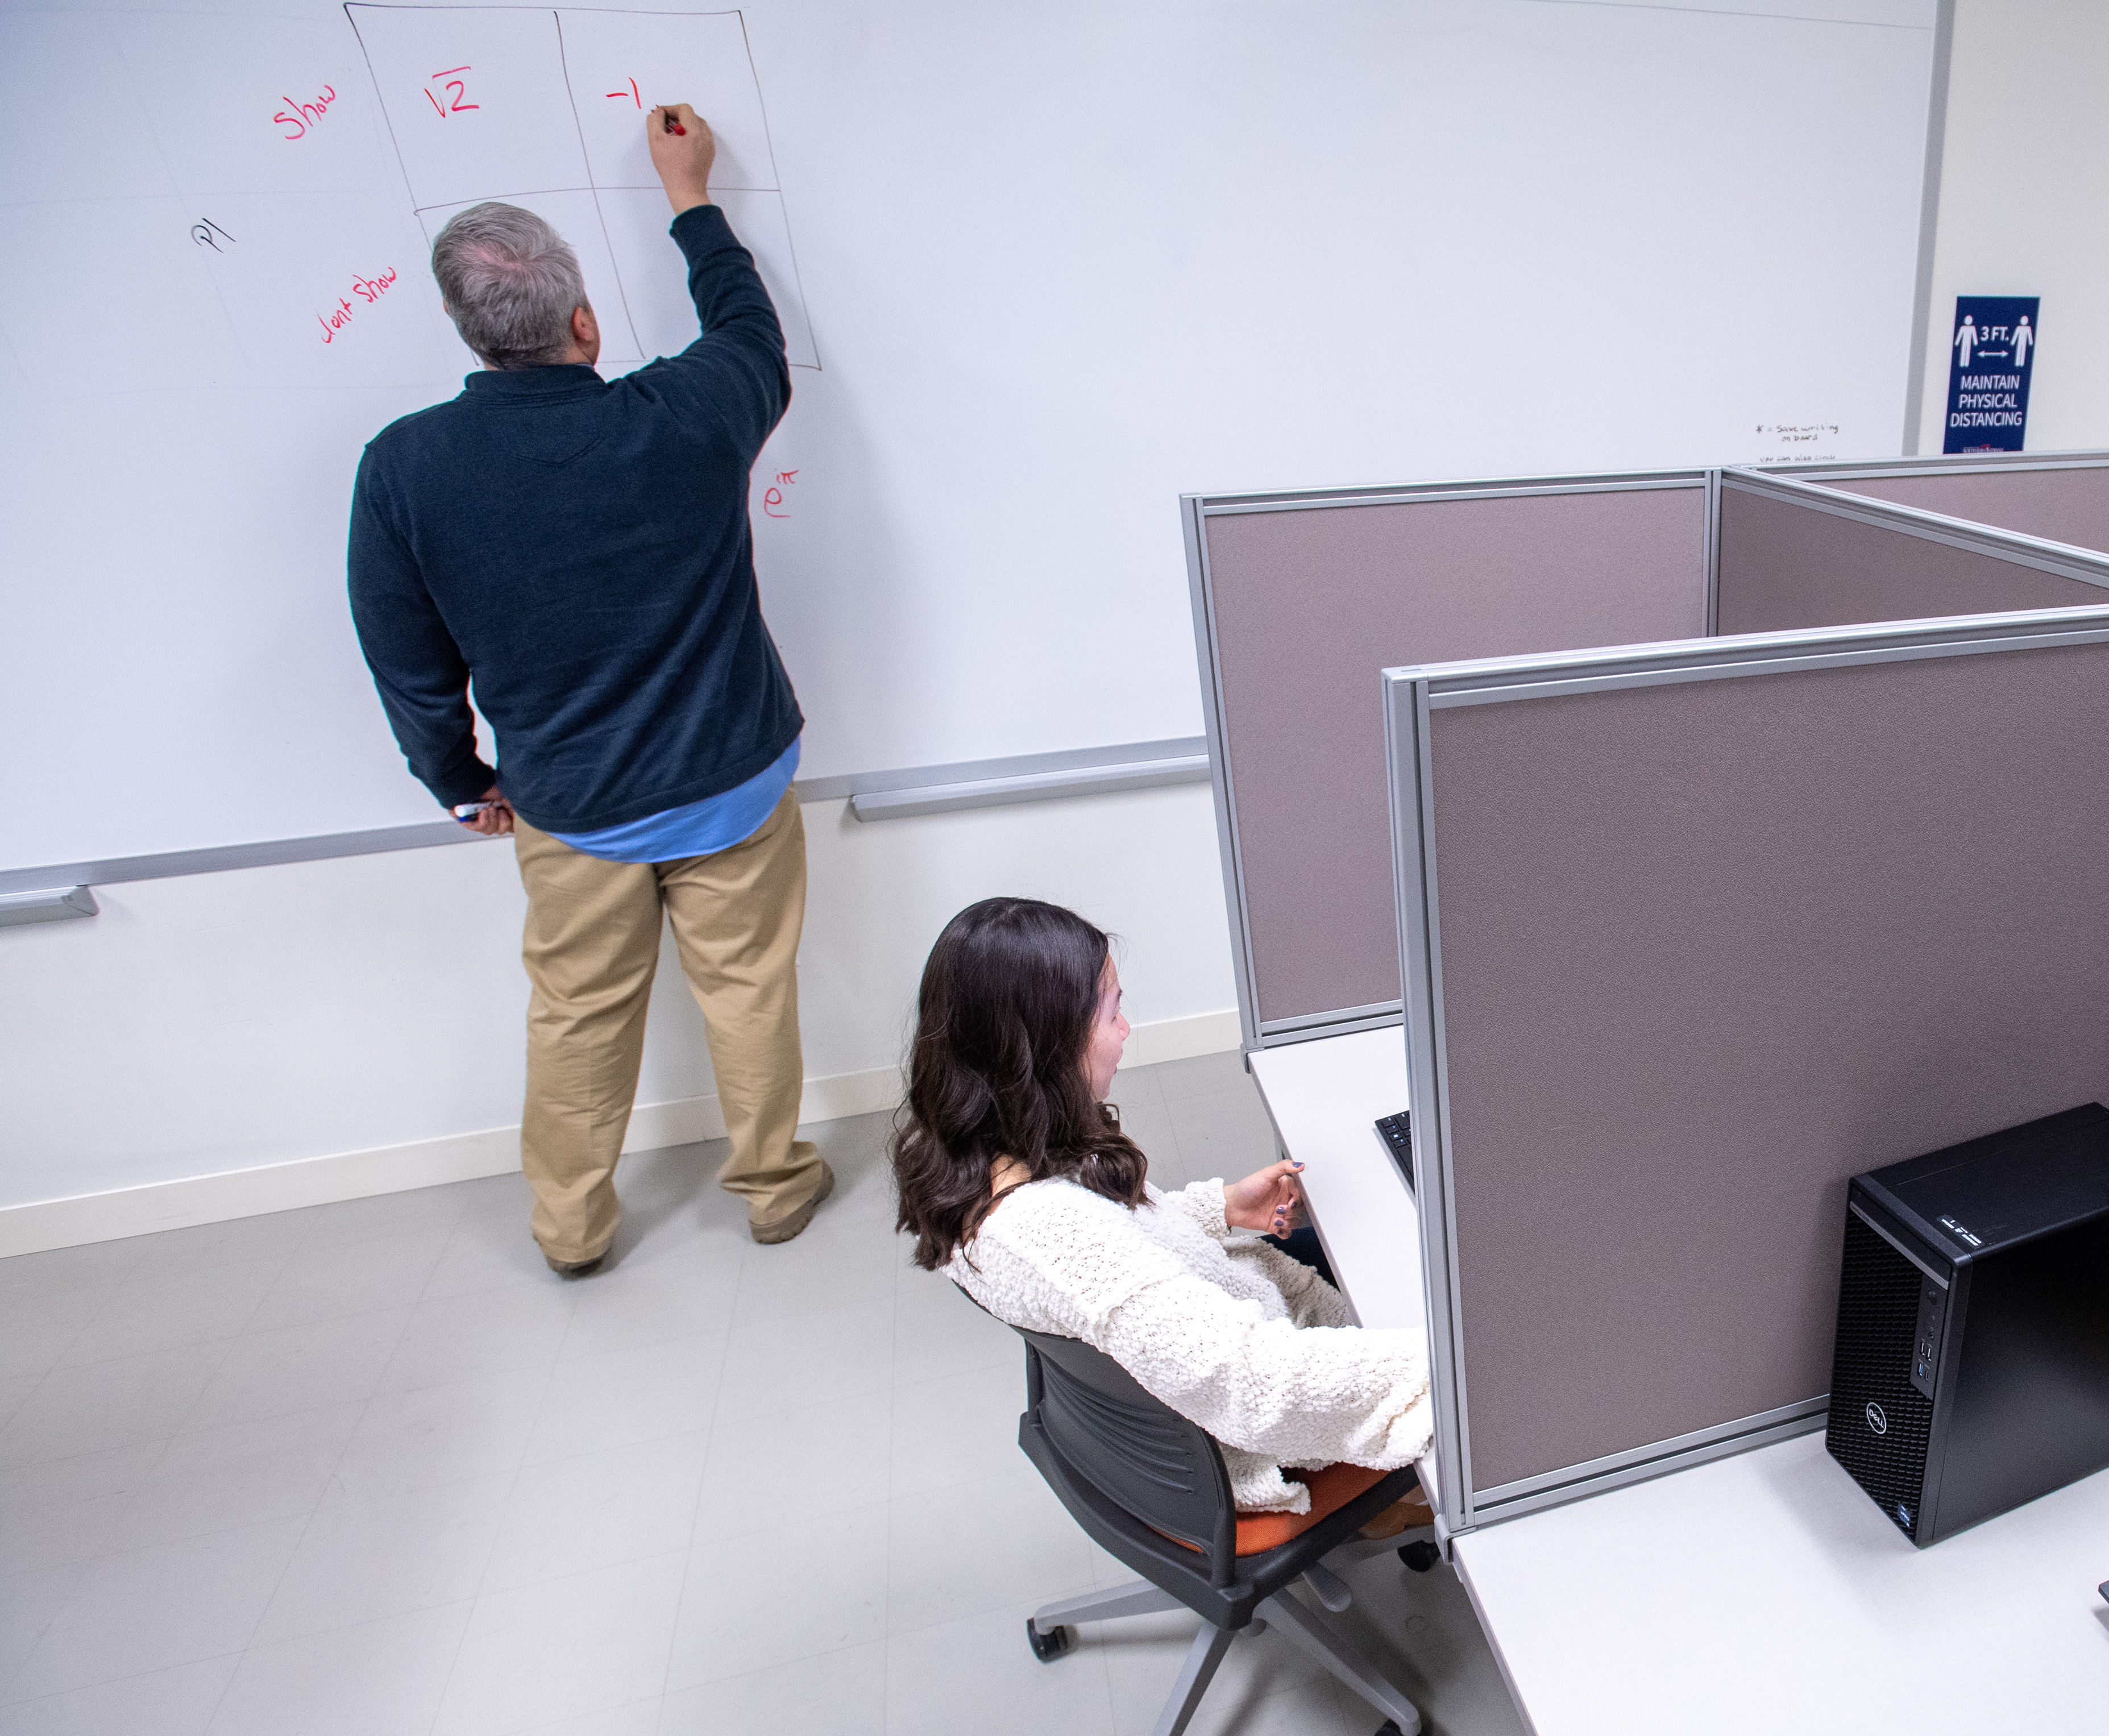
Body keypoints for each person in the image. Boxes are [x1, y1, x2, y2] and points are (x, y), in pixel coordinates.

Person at [347, 103, 827, 1278]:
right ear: (583, 319)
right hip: (734, 782)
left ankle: (569, 1227)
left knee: (576, 1020)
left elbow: (405, 660)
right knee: (750, 992)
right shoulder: (685, 415)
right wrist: (690, 194)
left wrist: (463, 785)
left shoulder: (405, 467)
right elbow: (750, 332)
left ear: (470, 334)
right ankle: (771, 1189)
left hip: (570, 807)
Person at [891, 899, 1431, 1525]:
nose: (1126, 1029)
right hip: (1259, 1430)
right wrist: (1462, 1359)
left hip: (1207, 1368)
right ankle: (1392, 1504)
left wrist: (1220, 1207)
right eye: (1112, 1010)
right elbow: (1258, 1384)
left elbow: (1120, 1250)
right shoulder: (1049, 1234)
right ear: (1042, 1045)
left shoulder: (977, 1156)